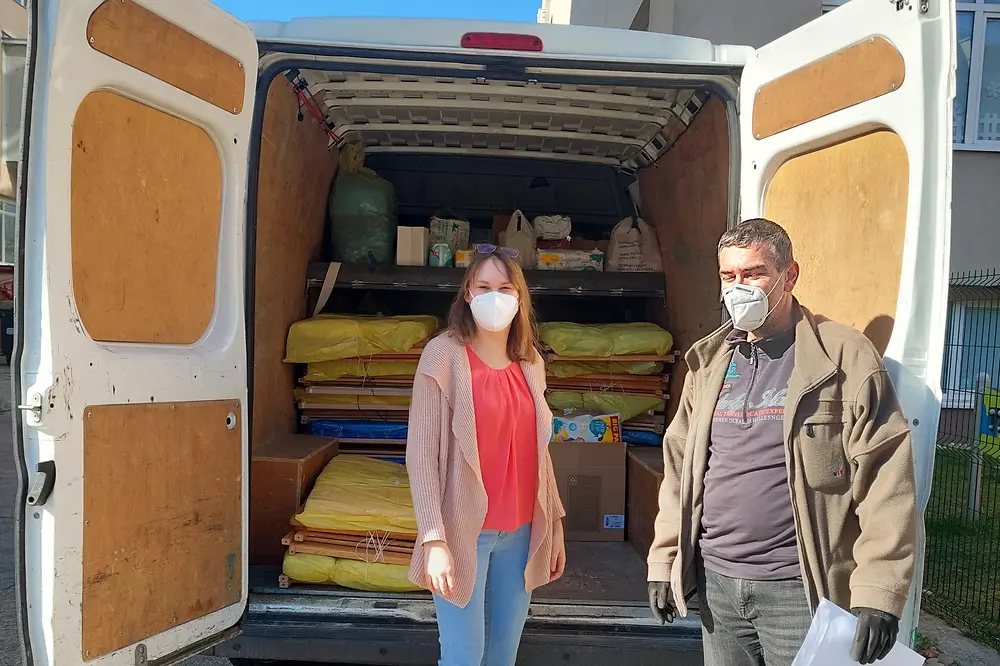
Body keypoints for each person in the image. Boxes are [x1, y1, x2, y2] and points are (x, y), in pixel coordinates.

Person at [646, 219, 917, 666]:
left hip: (799, 590)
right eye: (728, 277)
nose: (739, 288)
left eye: (753, 274)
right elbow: (681, 471)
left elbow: (886, 479)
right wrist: (665, 560)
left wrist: (879, 591)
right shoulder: (710, 362)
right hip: (718, 585)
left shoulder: (842, 357)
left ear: (789, 276)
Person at [406, 245, 568, 666]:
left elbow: (540, 453)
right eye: (484, 286)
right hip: (464, 532)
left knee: (502, 656)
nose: (494, 296)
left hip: (522, 531)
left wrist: (555, 527)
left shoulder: (530, 362)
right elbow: (421, 456)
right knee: (463, 657)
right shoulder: (444, 355)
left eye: (504, 287)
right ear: (467, 293)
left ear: (519, 298)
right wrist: (434, 539)